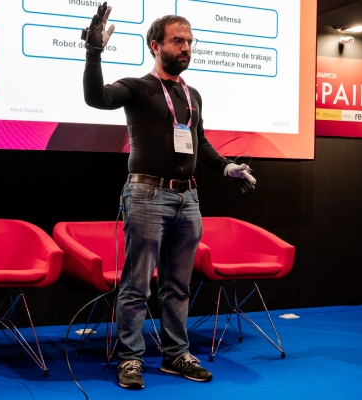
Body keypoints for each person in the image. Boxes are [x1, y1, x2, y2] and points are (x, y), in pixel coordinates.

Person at [81, 3, 257, 390]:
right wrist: (94, 52)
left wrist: (226, 167)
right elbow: (97, 98)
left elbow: (200, 141)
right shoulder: (138, 87)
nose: (186, 48)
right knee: (137, 285)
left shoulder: (192, 94)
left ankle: (176, 354)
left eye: (190, 42)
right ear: (154, 45)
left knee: (178, 285)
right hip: (146, 195)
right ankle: (130, 358)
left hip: (188, 199)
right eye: (178, 40)